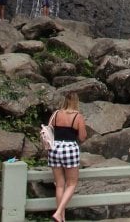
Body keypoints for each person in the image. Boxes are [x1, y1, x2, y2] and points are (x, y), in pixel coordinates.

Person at [46, 92, 87, 222]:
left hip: (55, 148)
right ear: (76, 102)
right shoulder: (78, 116)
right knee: (71, 183)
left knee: (59, 184)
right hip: (70, 148)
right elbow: (82, 137)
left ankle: (61, 218)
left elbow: (48, 130)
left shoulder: (56, 114)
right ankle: (58, 213)